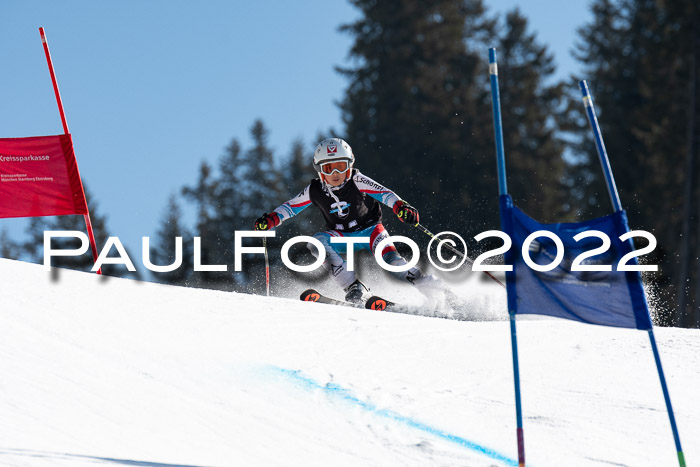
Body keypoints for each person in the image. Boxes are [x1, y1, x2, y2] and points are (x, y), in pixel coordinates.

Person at [254, 137, 437, 304]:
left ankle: (437, 291)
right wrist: (272, 219)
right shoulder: (315, 189)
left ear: (349, 166)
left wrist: (400, 207)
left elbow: (384, 194)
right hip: (341, 236)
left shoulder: (357, 180)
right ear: (319, 171)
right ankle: (354, 287)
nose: (335, 173)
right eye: (328, 168)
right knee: (317, 243)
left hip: (372, 231)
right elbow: (291, 207)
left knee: (394, 265)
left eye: (340, 166)